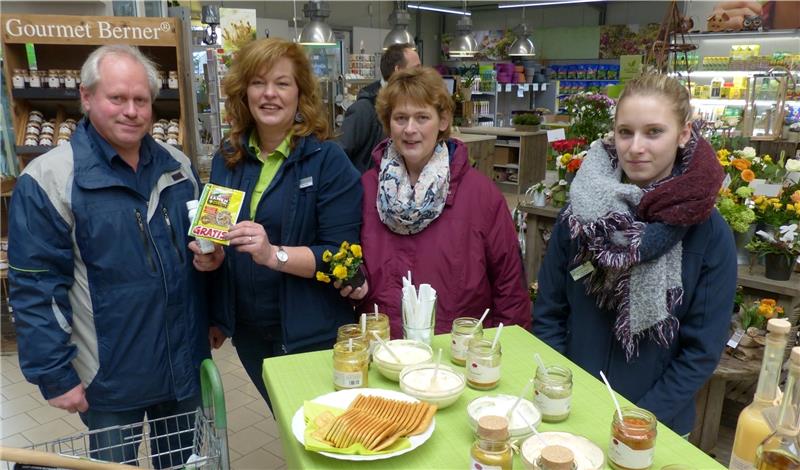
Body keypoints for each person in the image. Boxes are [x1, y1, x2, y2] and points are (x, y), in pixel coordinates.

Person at [8, 45, 208, 467]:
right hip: (108, 377)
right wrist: (55, 375)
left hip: (180, 368)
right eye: (117, 98)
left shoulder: (178, 167)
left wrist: (214, 312)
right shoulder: (49, 179)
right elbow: (35, 287)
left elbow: (198, 257)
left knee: (184, 463)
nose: (131, 111)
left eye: (141, 100)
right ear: (86, 97)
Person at [533, 73, 737, 436]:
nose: (635, 147)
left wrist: (639, 420)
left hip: (656, 425)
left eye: (654, 132)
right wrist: (559, 386)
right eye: (625, 132)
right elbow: (550, 311)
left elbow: (701, 350)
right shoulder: (581, 215)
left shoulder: (708, 232)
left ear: (684, 134)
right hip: (570, 408)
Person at [191, 38, 362, 412]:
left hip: (310, 332)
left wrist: (273, 255)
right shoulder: (228, 157)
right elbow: (214, 235)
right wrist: (212, 261)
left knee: (321, 424)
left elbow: (341, 258)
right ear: (243, 91)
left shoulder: (327, 160)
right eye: (258, 82)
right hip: (250, 333)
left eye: (282, 83)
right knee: (289, 421)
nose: (270, 94)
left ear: (300, 93)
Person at [341, 66, 531, 337]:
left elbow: (509, 287)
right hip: (384, 351)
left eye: (422, 117)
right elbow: (353, 261)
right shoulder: (367, 190)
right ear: (387, 123)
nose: (410, 129)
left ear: (442, 121)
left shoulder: (481, 196)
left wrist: (508, 349)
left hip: (455, 356)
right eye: (400, 118)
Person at [338, 43, 421, 173]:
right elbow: (339, 155)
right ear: (398, 70)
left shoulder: (410, 105)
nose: (421, 75)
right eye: (416, 68)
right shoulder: (364, 109)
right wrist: (360, 185)